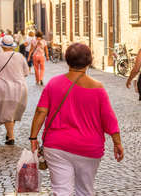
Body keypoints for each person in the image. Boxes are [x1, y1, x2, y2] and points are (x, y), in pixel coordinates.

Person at [29, 43, 124, 195]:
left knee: (61, 190)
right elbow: (109, 118)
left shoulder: (53, 84)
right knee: (85, 190)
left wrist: (33, 137)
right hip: (88, 147)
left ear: (67, 60)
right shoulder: (98, 88)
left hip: (56, 145)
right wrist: (117, 142)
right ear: (89, 61)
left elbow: (41, 111)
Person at [0, 35, 29, 145]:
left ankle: (11, 137)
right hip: (20, 87)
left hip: (3, 88)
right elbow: (26, 73)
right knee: (12, 111)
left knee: (7, 112)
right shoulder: (20, 56)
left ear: (2, 46)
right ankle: (10, 133)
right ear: (12, 46)